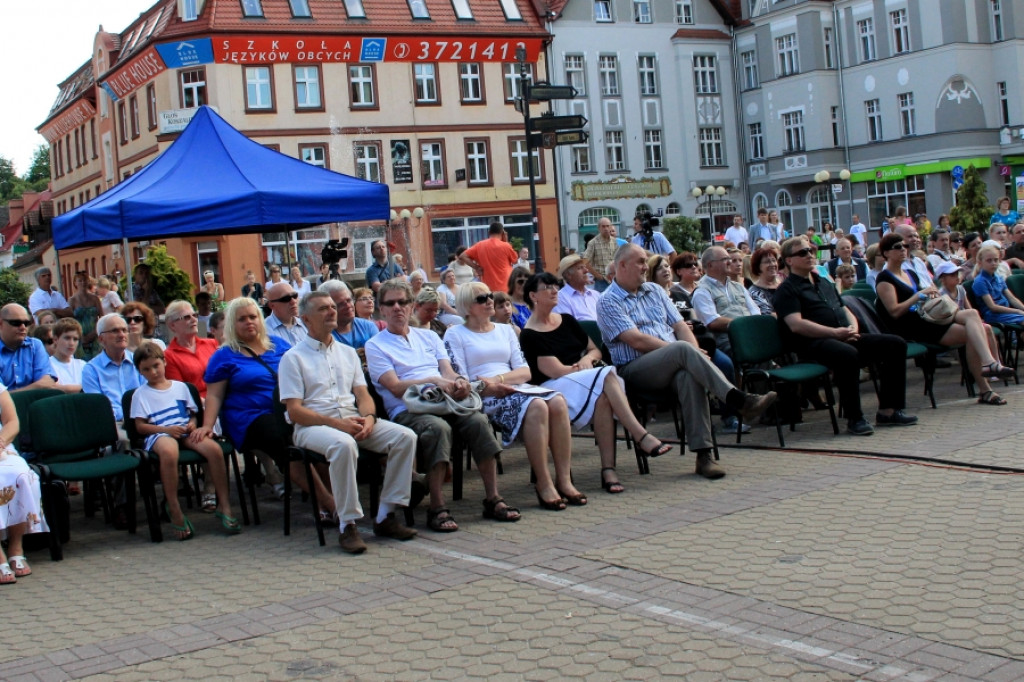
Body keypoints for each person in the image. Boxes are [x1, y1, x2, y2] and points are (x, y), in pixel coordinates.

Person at [596, 245, 778, 478]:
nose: (645, 267)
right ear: (622, 265)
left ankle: (704, 456)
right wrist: (686, 351)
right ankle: (738, 400)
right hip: (636, 370)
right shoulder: (607, 300)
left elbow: (680, 325)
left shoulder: (654, 290)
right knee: (682, 350)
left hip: (675, 362)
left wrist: (693, 352)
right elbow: (636, 340)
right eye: (640, 262)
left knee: (688, 376)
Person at [366, 280, 516, 531]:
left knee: (478, 421)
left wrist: (459, 382)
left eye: (402, 302)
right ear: (381, 309)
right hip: (408, 409)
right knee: (437, 429)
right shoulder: (376, 345)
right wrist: (433, 380)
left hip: (443, 401)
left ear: (411, 305)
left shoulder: (429, 336)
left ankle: (493, 497)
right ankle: (437, 506)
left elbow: (447, 371)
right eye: (390, 303)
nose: (397, 308)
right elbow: (395, 387)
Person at [279, 291, 418, 553]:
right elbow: (295, 412)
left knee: (405, 437)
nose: (332, 311)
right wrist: (337, 424)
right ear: (306, 319)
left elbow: (363, 395)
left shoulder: (348, 353)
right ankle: (347, 524)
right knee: (343, 445)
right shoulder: (293, 358)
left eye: (332, 306)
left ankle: (386, 515)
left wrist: (369, 418)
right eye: (323, 309)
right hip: (312, 427)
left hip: (351, 419)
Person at [521, 273, 672, 494]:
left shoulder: (567, 321)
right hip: (555, 389)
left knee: (603, 398)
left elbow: (594, 350)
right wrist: (585, 368)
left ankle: (608, 470)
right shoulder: (529, 334)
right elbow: (554, 370)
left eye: (555, 286)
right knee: (607, 375)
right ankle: (640, 435)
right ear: (533, 296)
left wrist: (586, 360)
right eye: (547, 287)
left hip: (584, 379)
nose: (554, 291)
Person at [445, 282, 585, 510]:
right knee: (537, 405)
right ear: (467, 307)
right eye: (481, 299)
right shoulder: (455, 334)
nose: (489, 301)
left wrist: (498, 380)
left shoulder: (505, 330)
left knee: (558, 401)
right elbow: (460, 379)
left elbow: (525, 372)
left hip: (513, 386)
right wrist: (489, 387)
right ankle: (544, 483)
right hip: (483, 395)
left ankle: (564, 480)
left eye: (489, 296)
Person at [774, 237, 917, 436]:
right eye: (802, 253)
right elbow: (796, 324)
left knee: (895, 344)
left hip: (842, 335)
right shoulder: (787, 289)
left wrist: (852, 329)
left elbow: (844, 308)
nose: (809, 255)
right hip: (813, 344)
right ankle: (854, 418)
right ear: (789, 260)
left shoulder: (823, 282)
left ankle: (889, 410)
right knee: (847, 354)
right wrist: (834, 333)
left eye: (810, 251)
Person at [875, 234, 1012, 404]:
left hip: (928, 317)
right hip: (912, 326)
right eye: (898, 247)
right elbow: (894, 312)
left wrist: (931, 295)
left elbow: (924, 298)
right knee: (977, 331)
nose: (903, 249)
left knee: (972, 314)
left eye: (905, 246)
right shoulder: (884, 279)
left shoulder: (910, 273)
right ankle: (986, 386)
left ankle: (989, 364)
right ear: (886, 253)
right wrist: (918, 296)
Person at [131, 341, 240, 540]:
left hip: (184, 430)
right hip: (160, 433)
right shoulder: (140, 394)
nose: (153, 372)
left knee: (214, 450)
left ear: (164, 362)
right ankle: (174, 507)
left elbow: (192, 414)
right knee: (169, 451)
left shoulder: (180, 387)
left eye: (156, 366)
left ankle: (224, 504)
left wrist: (192, 424)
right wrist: (165, 430)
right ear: (140, 371)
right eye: (146, 369)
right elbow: (140, 426)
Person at [194, 298, 294, 510]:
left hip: (285, 409)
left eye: (252, 317)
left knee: (310, 433)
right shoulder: (223, 355)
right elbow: (214, 396)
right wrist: (207, 426)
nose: (249, 322)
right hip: (248, 417)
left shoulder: (279, 345)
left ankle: (318, 487)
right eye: (242, 319)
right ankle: (323, 498)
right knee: (281, 438)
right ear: (232, 324)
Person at [0, 382, 47, 584]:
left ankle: (16, 547)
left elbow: (12, 422)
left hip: (2, 447)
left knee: (22, 476)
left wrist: (1, 442)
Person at [82, 313, 144, 422]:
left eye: (124, 330)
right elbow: (98, 407)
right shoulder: (91, 370)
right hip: (113, 423)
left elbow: (149, 394)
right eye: (115, 331)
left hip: (144, 420)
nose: (122, 335)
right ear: (101, 339)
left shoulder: (139, 361)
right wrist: (128, 415)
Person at [0, 304, 57, 392]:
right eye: (16, 323)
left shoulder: (35, 345)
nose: (23, 327)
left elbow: (47, 383)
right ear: (1, 324)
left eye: (26, 323)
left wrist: (8, 395)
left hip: (35, 400)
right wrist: (35, 387)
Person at [319, 280, 378, 354]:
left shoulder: (368, 326)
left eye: (349, 300)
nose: (348, 306)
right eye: (341, 304)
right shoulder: (323, 335)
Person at [972, 243, 1024, 326]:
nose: (993, 263)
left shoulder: (998, 277)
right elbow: (992, 307)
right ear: (980, 263)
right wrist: (1017, 311)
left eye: (996, 260)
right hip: (993, 315)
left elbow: (1012, 298)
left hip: (1006, 311)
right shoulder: (980, 281)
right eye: (989, 260)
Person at [460, 222, 518, 293]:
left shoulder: (480, 245)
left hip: (487, 288)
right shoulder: (506, 246)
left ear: (489, 232)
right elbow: (515, 260)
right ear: (502, 233)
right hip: (506, 287)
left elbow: (462, 256)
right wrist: (506, 241)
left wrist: (476, 267)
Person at [583, 218, 627, 292]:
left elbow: (618, 259)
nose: (606, 229)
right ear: (599, 228)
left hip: (615, 279)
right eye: (603, 226)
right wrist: (597, 275)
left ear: (610, 227)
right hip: (602, 281)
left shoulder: (614, 241)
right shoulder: (593, 243)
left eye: (607, 226)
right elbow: (585, 261)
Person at [553, 254, 600, 322]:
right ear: (568, 275)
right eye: (580, 268)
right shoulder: (560, 298)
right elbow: (567, 325)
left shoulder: (595, 294)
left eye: (585, 267)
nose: (586, 270)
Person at [68, 272, 103, 361]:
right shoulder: (72, 300)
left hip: (95, 334)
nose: (83, 283)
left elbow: (102, 317)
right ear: (75, 283)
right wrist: (80, 336)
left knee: (98, 360)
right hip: (80, 336)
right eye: (80, 281)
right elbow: (71, 321)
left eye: (85, 280)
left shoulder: (95, 299)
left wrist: (95, 332)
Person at [264, 282, 308, 347]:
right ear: (272, 305)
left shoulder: (306, 324)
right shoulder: (264, 330)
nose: (293, 301)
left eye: (295, 296)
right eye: (286, 298)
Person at [49, 318, 86, 393]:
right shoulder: (47, 365)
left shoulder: (83, 365)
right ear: (55, 339)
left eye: (75, 339)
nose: (71, 343)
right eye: (67, 338)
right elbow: (52, 389)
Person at [748, 247, 782, 315]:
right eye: (767, 262)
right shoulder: (755, 292)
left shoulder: (784, 285)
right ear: (758, 266)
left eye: (774, 260)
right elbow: (766, 313)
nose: (772, 264)